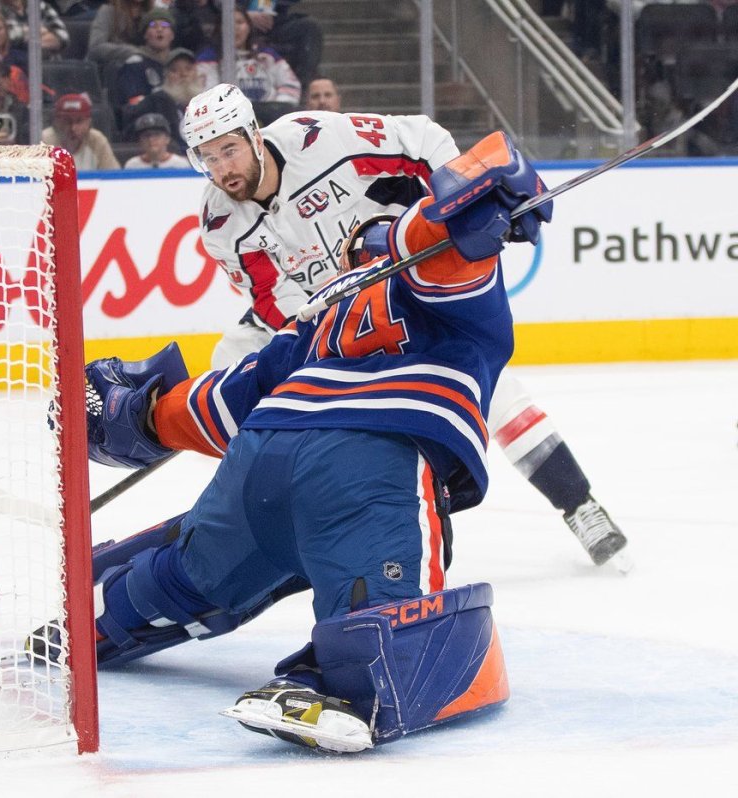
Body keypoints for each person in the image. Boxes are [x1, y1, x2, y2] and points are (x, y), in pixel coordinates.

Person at [46, 85, 552, 751]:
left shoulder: (309, 332)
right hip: (369, 467)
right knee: (400, 607)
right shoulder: (441, 279)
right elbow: (456, 216)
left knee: (192, 574)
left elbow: (225, 404)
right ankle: (336, 678)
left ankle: (112, 609)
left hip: (261, 457)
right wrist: (485, 200)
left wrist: (138, 415)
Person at [190, 88, 628, 568]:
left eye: (229, 150)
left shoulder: (318, 139)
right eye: (208, 158)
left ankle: (580, 504)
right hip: (330, 320)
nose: (223, 168)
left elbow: (420, 139)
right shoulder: (218, 222)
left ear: (254, 135)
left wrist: (465, 201)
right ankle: (281, 514)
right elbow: (271, 298)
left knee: (491, 389)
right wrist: (324, 323)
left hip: (403, 287)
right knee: (228, 367)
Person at [197, 8, 300, 105]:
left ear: (249, 27)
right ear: (219, 28)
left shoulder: (267, 55)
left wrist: (276, 111)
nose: (235, 28)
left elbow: (291, 86)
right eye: (229, 23)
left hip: (271, 118)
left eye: (239, 22)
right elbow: (208, 96)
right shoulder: (208, 59)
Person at [113, 8, 185, 140]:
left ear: (172, 35)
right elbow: (132, 107)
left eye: (165, 25)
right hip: (144, 128)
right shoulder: (134, 64)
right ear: (145, 35)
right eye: (153, 25)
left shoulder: (179, 63)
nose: (159, 29)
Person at [41, 92, 120, 171]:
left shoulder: (97, 140)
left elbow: (115, 178)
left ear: (88, 122)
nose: (73, 128)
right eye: (67, 121)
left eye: (79, 121)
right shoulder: (44, 141)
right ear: (56, 122)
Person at [87, 0, 154, 73]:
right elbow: (96, 47)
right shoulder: (108, 12)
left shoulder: (152, 15)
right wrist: (133, 52)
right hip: (108, 71)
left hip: (146, 71)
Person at [124, 112, 190, 169]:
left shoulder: (181, 164)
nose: (151, 139)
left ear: (167, 139)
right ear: (140, 141)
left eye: (157, 135)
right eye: (146, 136)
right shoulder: (132, 165)